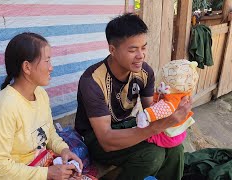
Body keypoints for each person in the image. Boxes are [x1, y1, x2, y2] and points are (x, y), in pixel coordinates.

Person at [74, 13, 192, 180]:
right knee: (153, 155)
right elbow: (106, 140)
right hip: (95, 138)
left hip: (128, 124)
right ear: (112, 50)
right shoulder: (92, 81)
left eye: (143, 47)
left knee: (175, 147)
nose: (141, 55)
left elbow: (151, 110)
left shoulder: (145, 72)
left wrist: (173, 106)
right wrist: (158, 127)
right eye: (133, 49)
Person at [0, 32, 83, 180]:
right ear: (27, 67)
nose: (51, 67)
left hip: (38, 166)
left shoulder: (40, 94)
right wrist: (48, 173)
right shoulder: (3, 107)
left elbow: (49, 133)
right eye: (46, 61)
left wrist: (63, 150)